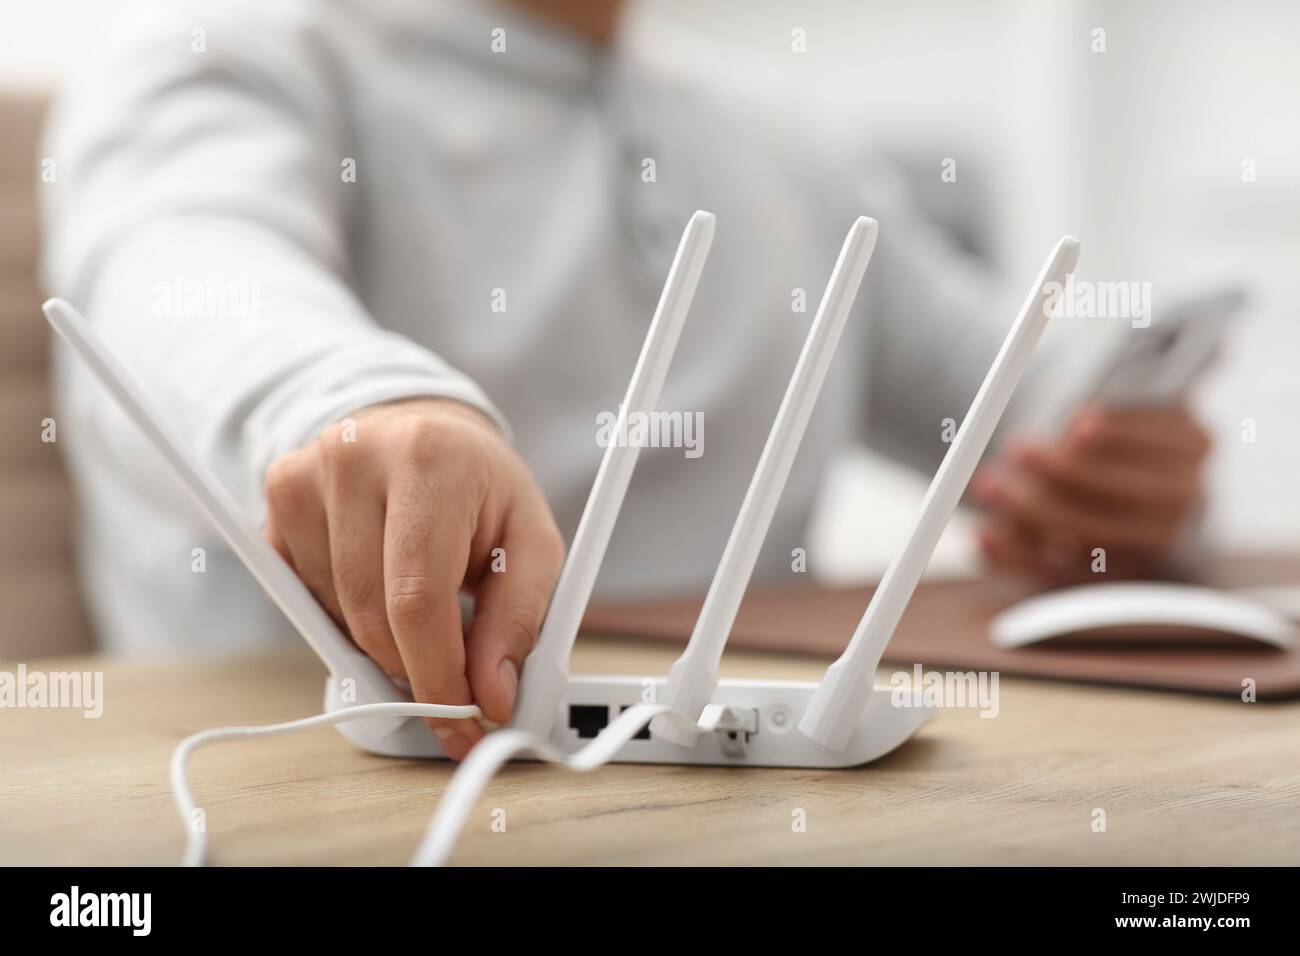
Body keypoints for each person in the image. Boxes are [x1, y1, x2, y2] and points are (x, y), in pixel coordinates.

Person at [41, 0, 1210, 759]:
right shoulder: (228, 57)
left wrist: (1126, 471)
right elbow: (181, 272)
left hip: (767, 791)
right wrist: (354, 401)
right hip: (347, 797)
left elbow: (1010, 393)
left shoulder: (772, 135)